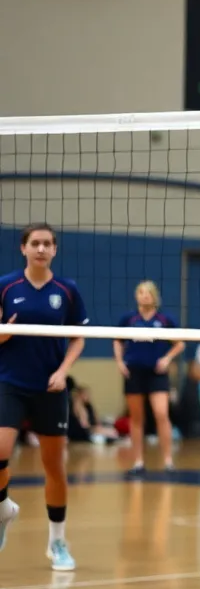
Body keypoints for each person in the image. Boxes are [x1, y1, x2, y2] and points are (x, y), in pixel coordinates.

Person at [0, 223, 89, 569]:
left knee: (54, 466)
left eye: (47, 244)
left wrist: (63, 371)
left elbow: (78, 338)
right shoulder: (6, 286)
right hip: (9, 382)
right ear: (23, 248)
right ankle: (5, 508)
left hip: (50, 387)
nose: (40, 248)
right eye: (34, 243)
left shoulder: (67, 290)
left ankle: (58, 542)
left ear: (54, 250)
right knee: (2, 450)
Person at [114, 280, 184, 475]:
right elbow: (117, 341)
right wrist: (120, 362)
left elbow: (179, 344)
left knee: (161, 414)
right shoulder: (128, 319)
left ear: (155, 296)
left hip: (157, 373)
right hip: (134, 372)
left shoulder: (164, 319)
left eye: (148, 293)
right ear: (136, 296)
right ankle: (138, 462)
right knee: (136, 418)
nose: (144, 296)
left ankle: (168, 461)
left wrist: (167, 359)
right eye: (141, 292)